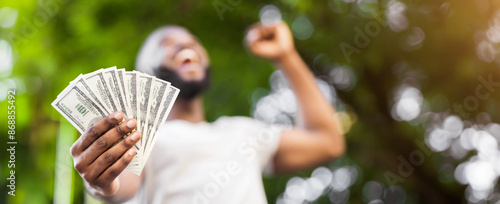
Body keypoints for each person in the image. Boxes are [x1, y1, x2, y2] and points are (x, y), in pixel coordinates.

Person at [69, 21, 345, 203]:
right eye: (165, 43)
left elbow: (328, 141)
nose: (184, 44)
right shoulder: (139, 137)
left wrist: (285, 56)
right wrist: (102, 184)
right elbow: (120, 185)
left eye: (192, 41)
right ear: (144, 73)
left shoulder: (243, 130)